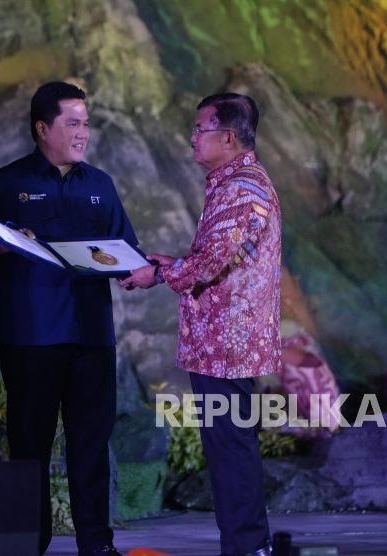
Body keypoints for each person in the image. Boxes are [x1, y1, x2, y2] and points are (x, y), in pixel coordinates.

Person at [0, 81, 135, 556]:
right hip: (31, 336)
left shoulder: (101, 184)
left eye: (86, 123)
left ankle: (97, 545)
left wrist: (138, 270)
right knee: (29, 447)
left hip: (93, 335)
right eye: (72, 122)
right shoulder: (6, 182)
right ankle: (26, 544)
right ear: (42, 128)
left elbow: (126, 249)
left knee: (92, 447)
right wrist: (7, 239)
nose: (83, 133)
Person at [121, 93, 279, 556]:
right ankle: (249, 545)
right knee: (230, 446)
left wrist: (160, 273)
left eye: (199, 129)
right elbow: (220, 258)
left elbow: (211, 261)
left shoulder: (242, 187)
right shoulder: (234, 183)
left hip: (228, 343)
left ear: (227, 136)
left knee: (231, 449)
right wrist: (175, 263)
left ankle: (248, 547)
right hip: (224, 341)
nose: (192, 138)